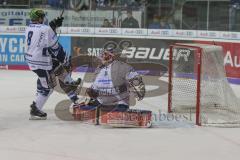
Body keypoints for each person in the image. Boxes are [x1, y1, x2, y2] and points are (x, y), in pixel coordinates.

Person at [25, 9, 81, 120]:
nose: (44, 18)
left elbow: (42, 34)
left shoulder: (29, 27)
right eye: (43, 17)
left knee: (59, 70)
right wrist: (66, 60)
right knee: (48, 87)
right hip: (42, 62)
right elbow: (56, 49)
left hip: (34, 60)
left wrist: (53, 25)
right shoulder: (46, 29)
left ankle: (73, 93)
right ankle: (35, 109)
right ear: (40, 18)